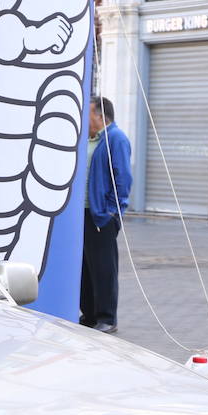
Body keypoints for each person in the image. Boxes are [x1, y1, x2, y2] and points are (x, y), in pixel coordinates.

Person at [79, 95, 132, 333]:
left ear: (100, 116)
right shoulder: (90, 139)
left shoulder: (116, 139)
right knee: (85, 268)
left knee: (103, 268)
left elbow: (123, 179)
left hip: (101, 215)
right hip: (83, 213)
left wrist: (112, 211)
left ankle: (107, 317)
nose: (85, 119)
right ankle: (89, 314)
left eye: (88, 114)